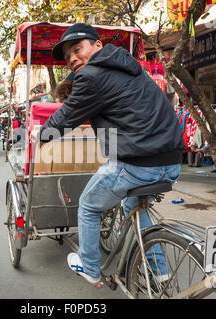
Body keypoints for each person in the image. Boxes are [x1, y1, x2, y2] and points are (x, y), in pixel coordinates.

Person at [37, 23, 185, 287]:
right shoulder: (131, 68)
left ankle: (90, 267)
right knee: (134, 206)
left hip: (138, 165)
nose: (72, 58)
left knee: (88, 206)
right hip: (171, 162)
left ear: (97, 46)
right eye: (68, 55)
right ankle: (160, 272)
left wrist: (41, 136)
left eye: (77, 49)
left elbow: (65, 117)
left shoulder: (92, 76)